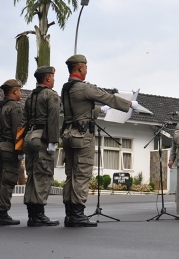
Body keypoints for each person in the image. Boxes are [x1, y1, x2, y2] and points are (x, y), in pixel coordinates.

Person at [61, 54, 139, 227]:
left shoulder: (66, 88)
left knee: (71, 175)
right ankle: (77, 215)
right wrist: (129, 104)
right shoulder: (83, 87)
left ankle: (69, 214)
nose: (87, 71)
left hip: (68, 134)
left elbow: (79, 111)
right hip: (82, 137)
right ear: (80, 68)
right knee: (82, 175)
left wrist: (99, 110)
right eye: (86, 67)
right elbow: (107, 97)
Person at [22, 66, 60, 227]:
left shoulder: (30, 96)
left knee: (31, 176)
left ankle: (32, 214)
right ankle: (38, 215)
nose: (54, 79)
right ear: (47, 79)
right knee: (43, 176)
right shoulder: (51, 95)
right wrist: (53, 141)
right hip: (42, 137)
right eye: (52, 76)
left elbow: (23, 120)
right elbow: (53, 118)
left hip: (29, 137)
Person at [0, 79, 24, 226]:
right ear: (15, 91)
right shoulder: (14, 107)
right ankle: (2, 212)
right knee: (8, 180)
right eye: (20, 90)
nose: (21, 93)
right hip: (9, 146)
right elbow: (18, 130)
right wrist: (20, 150)